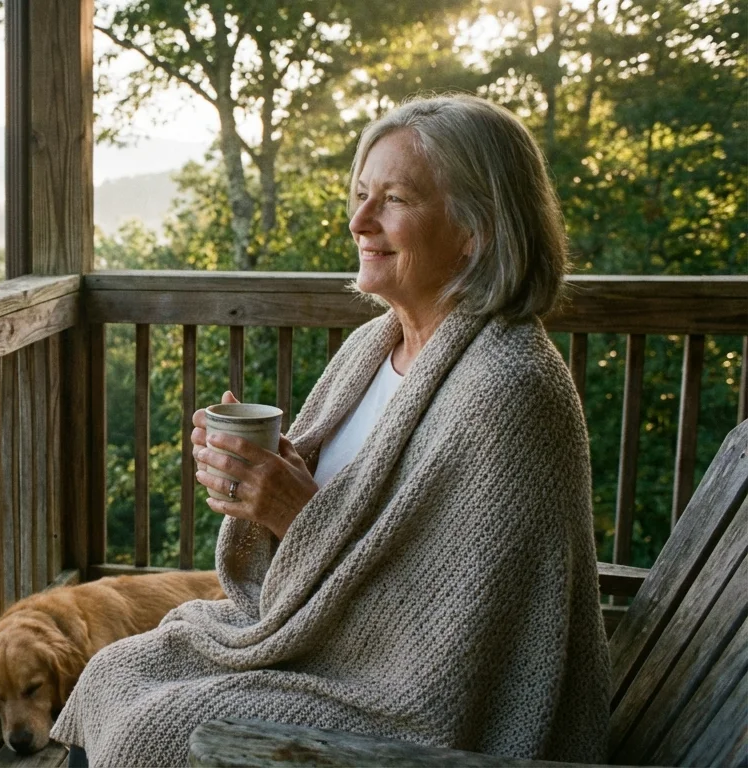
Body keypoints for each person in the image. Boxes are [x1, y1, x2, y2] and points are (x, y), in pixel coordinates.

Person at [51, 93, 610, 766]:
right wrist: (270, 486)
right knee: (112, 671)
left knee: (154, 732)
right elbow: (359, 517)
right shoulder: (376, 345)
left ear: (476, 229)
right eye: (360, 193)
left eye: (395, 199)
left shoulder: (509, 387)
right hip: (326, 640)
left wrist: (294, 508)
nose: (360, 220)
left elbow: (456, 628)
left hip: (406, 693)